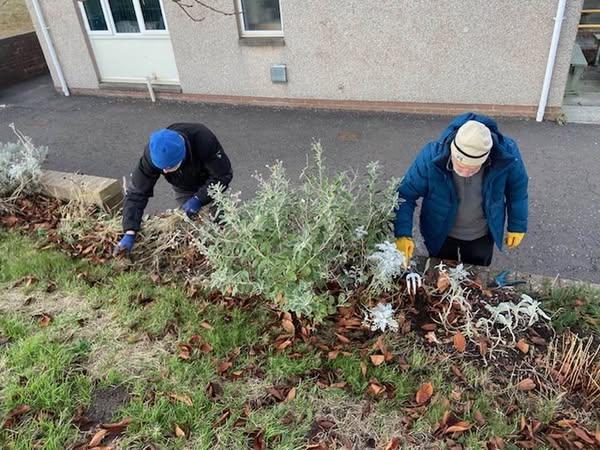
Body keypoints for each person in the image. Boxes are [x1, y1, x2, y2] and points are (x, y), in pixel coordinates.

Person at [394, 113, 528, 267]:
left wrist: (517, 225)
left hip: (481, 234)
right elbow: (405, 194)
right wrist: (402, 233)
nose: (464, 172)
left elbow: (517, 190)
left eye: (472, 169)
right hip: (440, 231)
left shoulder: (507, 154)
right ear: (452, 151)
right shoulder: (431, 156)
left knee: (475, 275)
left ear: (486, 158)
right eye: (459, 165)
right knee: (441, 272)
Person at [113, 123, 233, 256]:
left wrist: (199, 198)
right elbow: (137, 192)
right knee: (193, 228)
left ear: (182, 156)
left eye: (169, 168)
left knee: (221, 221)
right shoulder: (153, 153)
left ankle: (227, 250)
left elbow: (222, 175)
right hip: (183, 187)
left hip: (211, 182)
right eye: (161, 168)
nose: (164, 171)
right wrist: (130, 230)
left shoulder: (202, 139)